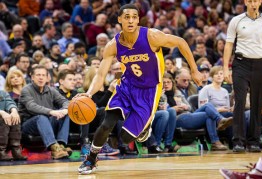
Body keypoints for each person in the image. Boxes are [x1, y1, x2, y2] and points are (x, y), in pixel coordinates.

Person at [75, 4, 203, 175]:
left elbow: (180, 42)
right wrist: (89, 93)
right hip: (127, 86)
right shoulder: (113, 45)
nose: (131, 20)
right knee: (107, 123)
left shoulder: (151, 36)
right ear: (119, 19)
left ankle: (145, 127)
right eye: (126, 17)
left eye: (134, 17)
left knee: (126, 137)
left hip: (149, 91)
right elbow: (100, 75)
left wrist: (194, 69)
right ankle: (91, 159)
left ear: (138, 19)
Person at [223, 0, 262, 153]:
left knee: (257, 103)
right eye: (250, 1)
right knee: (240, 102)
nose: (253, 4)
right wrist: (225, 69)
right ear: (245, 2)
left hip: (261, 64)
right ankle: (238, 141)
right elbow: (229, 45)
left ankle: (254, 141)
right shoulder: (236, 21)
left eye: (256, 1)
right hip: (241, 64)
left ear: (260, 2)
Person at [19, 65, 71, 159]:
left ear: (47, 77)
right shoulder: (26, 90)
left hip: (47, 122)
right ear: (32, 77)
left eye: (43, 75)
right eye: (38, 75)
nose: (41, 77)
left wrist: (65, 110)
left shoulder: (51, 90)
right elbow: (31, 107)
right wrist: (51, 111)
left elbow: (65, 101)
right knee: (41, 117)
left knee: (65, 114)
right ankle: (54, 148)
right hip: (29, 125)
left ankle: (61, 145)